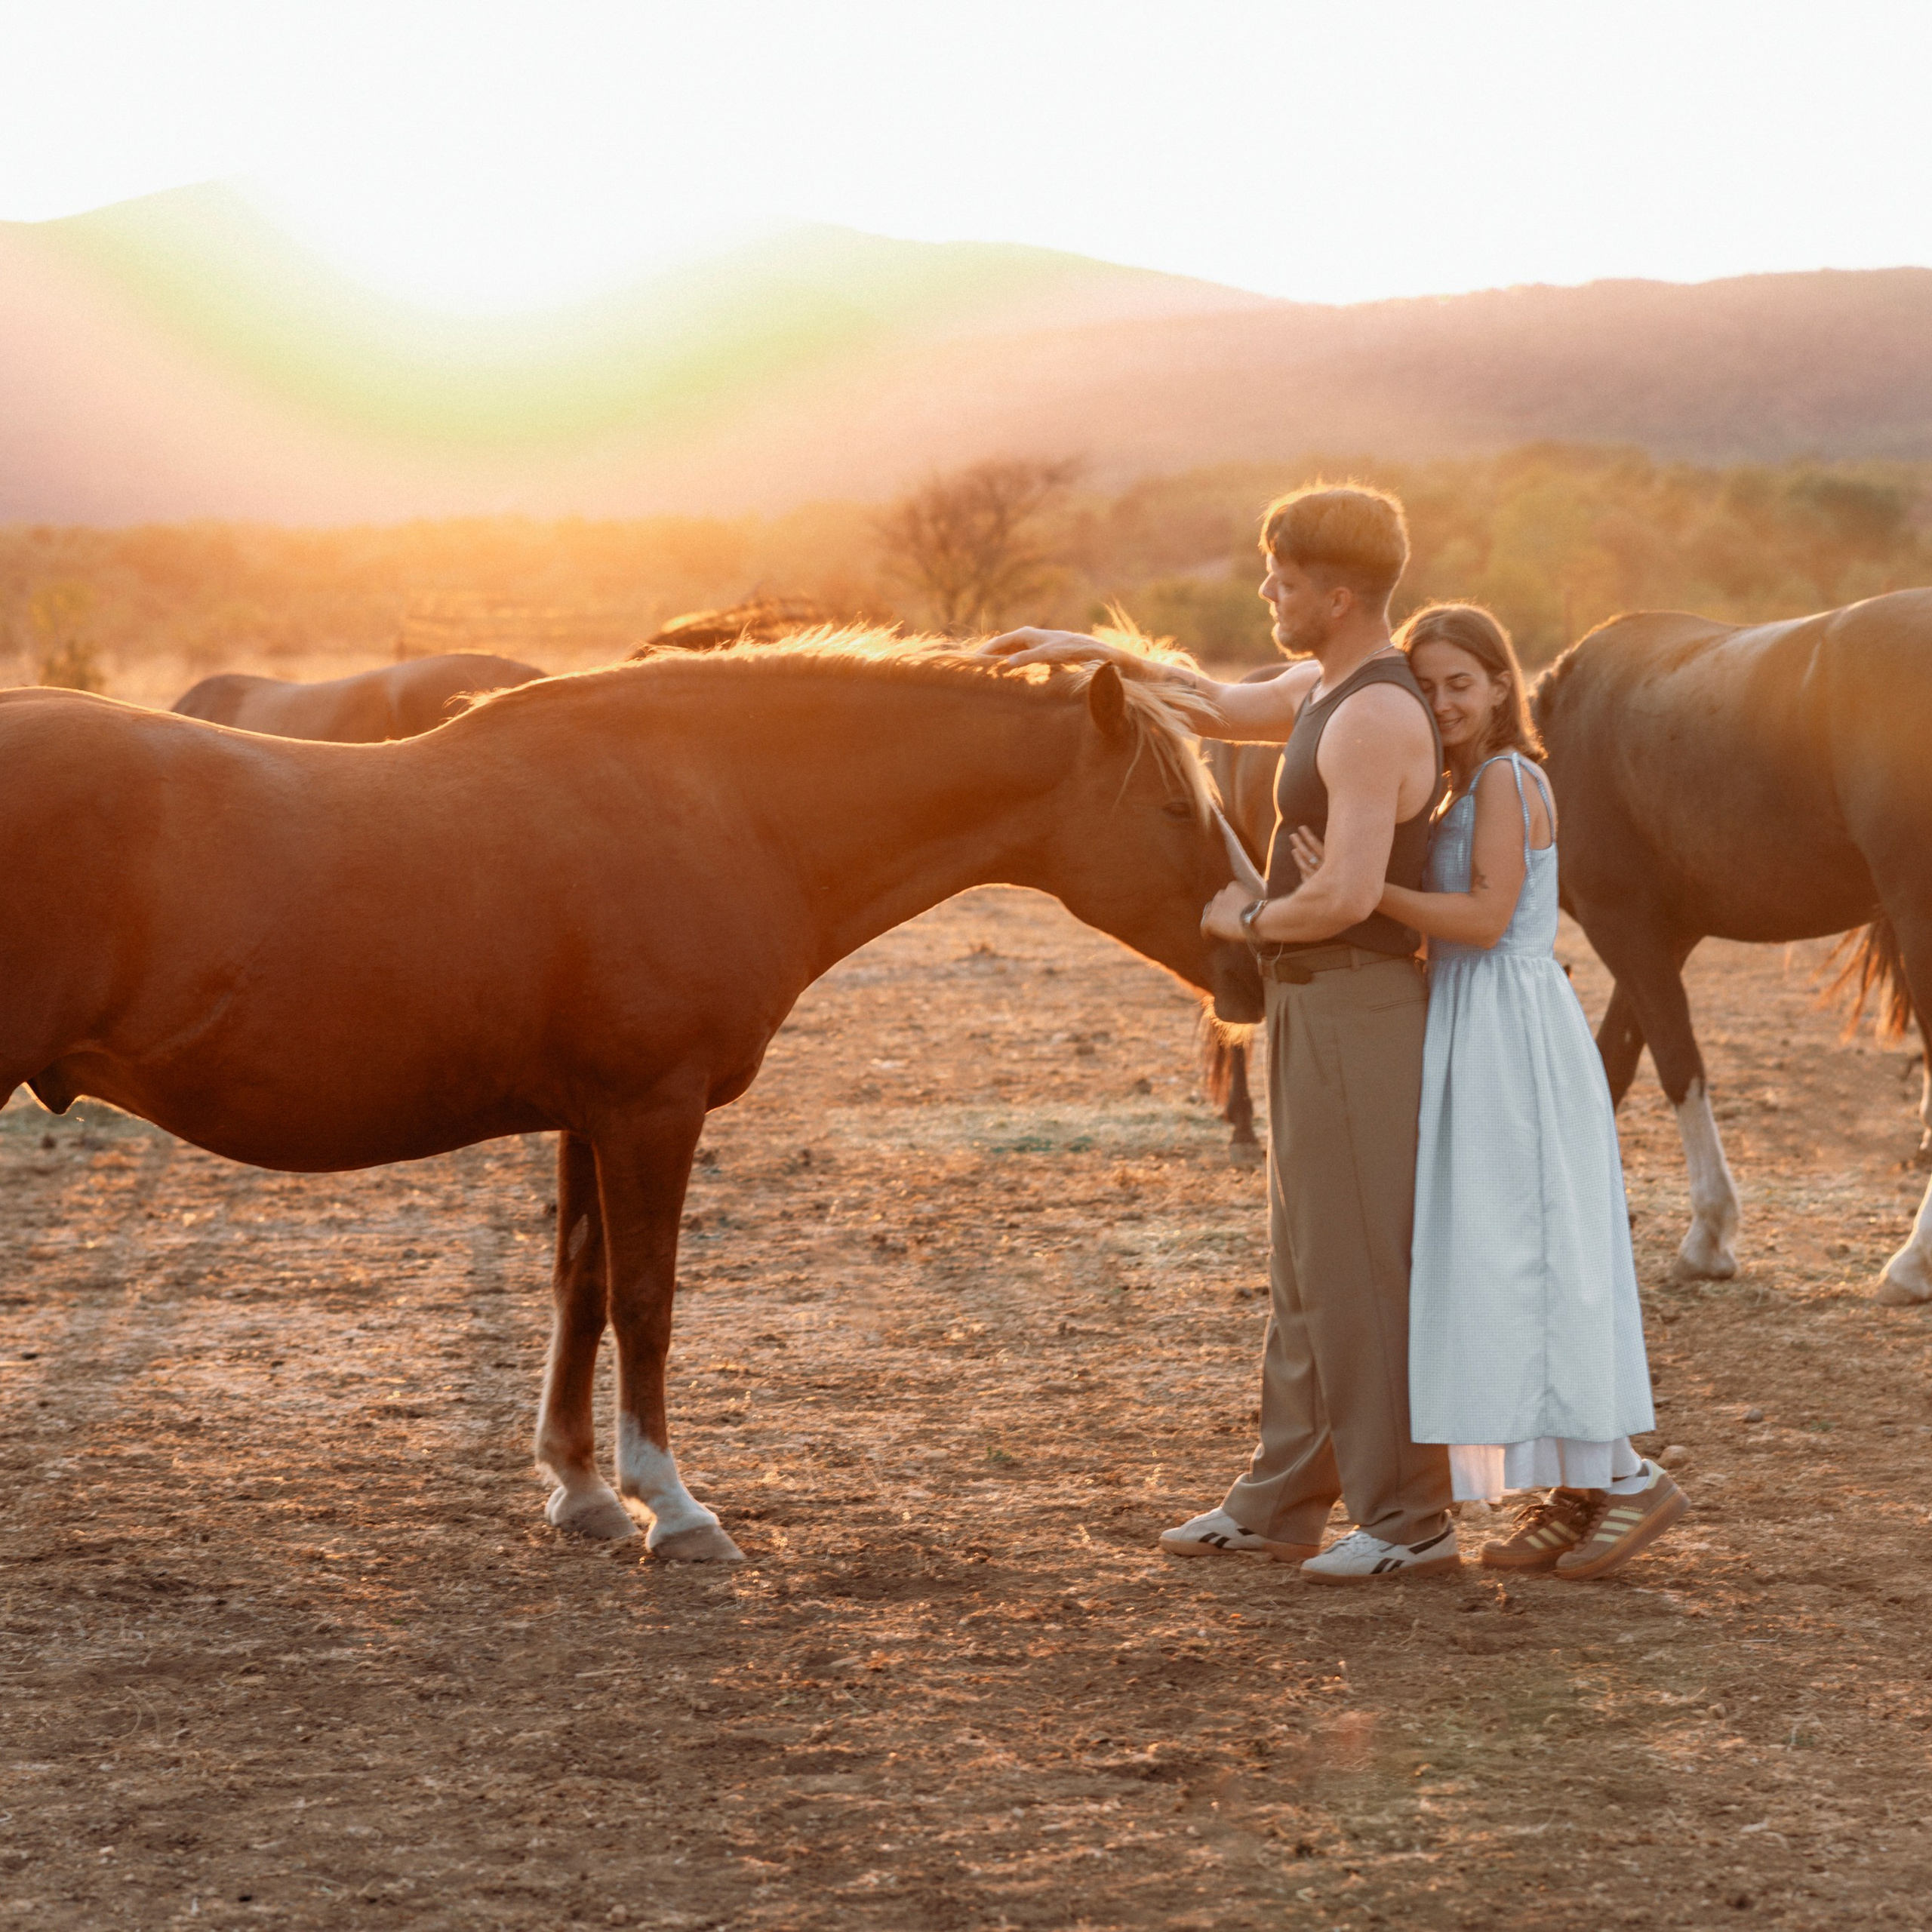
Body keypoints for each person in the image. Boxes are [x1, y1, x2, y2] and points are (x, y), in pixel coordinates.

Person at [986, 483, 1460, 1583]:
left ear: (1336, 596)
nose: (1266, 593)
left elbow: (1344, 893)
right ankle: (1284, 1503)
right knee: (1306, 1266)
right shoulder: (1325, 685)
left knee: (1361, 1273)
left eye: (1283, 581)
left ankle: (1407, 1521)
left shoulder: (1378, 715)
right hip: (1314, 1001)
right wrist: (1084, 646)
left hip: (1357, 998)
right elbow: (1203, 702)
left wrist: (1242, 916)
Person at [1288, 604, 1689, 1578]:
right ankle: (1574, 1491)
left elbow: (1486, 913)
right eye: (1425, 688)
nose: (1443, 703)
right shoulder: (1463, 785)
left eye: (1461, 684)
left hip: (1512, 1028)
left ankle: (1628, 1478)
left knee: (1531, 1252)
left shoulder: (1510, 778)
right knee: (1497, 1253)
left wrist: (1362, 887)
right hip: (1472, 1022)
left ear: (1504, 686)